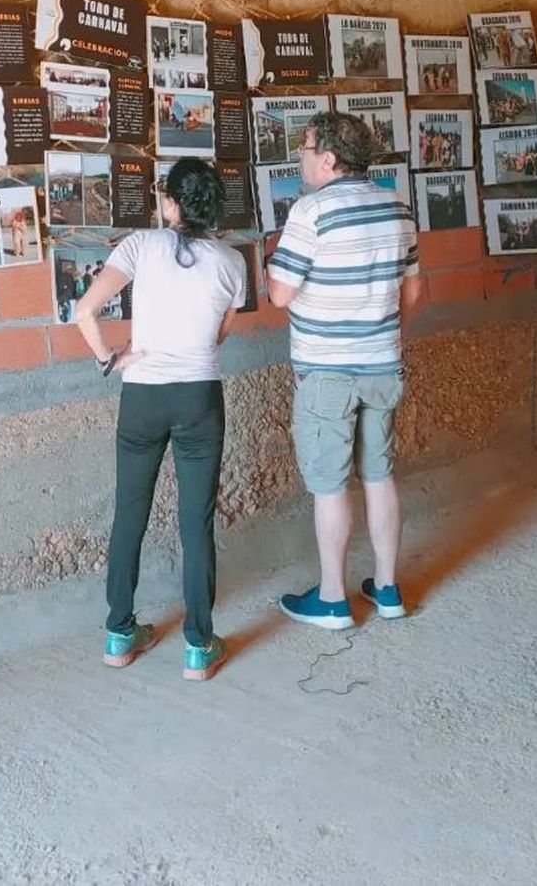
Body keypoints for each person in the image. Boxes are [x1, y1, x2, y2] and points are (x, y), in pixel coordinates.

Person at [74, 158, 245, 682]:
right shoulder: (233, 263)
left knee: (130, 514)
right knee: (196, 523)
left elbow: (84, 312)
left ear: (169, 203)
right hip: (198, 397)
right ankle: (198, 646)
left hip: (142, 395)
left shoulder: (139, 246)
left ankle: (119, 633)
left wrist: (110, 358)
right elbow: (218, 336)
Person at [267, 111, 422, 630]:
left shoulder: (311, 212)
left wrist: (274, 264)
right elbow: (415, 291)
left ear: (328, 158)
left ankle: (332, 599)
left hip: (326, 374)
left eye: (306, 152)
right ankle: (387, 587)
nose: (302, 161)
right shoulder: (398, 207)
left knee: (330, 485)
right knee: (379, 474)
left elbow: (281, 295)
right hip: (383, 366)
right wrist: (378, 327)